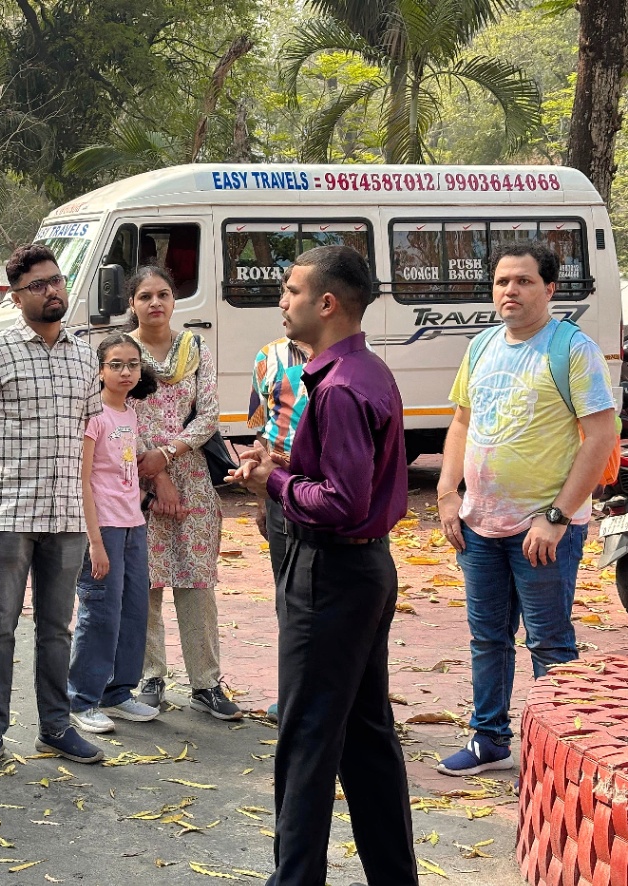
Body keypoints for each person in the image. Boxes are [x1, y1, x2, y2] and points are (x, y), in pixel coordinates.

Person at [230, 245, 418, 886]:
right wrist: (282, 469)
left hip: (331, 574)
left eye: (291, 291)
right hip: (364, 570)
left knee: (308, 740)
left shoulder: (338, 388)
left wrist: (274, 483)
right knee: (365, 735)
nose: (282, 302)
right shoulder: (366, 370)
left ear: (327, 303)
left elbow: (340, 502)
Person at [436, 240, 617, 776]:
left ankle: (559, 756)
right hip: (479, 526)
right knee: (487, 639)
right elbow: (462, 422)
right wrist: (447, 493)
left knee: (550, 643)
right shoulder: (481, 346)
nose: (510, 291)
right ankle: (489, 738)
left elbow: (601, 436)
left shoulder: (572, 348)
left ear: (550, 289)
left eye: (523, 281)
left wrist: (557, 516)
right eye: (502, 282)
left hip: (544, 529)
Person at [0, 243, 105, 771]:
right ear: (17, 297)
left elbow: (87, 435)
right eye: (37, 285)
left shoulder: (85, 356)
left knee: (57, 626)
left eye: (56, 280)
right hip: (9, 512)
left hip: (66, 513)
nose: (51, 291)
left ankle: (56, 727)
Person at [126, 265, 241, 721]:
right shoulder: (122, 352)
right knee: (145, 581)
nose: (155, 303)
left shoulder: (195, 349)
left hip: (190, 473)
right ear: (132, 304)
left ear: (175, 301)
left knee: (196, 580)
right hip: (133, 475)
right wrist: (154, 473)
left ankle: (206, 683)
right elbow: (115, 412)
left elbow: (209, 414)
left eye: (164, 294)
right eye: (145, 296)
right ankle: (149, 677)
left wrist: (169, 455)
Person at [67, 334, 161, 733]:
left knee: (134, 609)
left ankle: (118, 692)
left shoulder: (130, 413)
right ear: (100, 370)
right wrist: (94, 542)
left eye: (133, 364)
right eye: (116, 364)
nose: (126, 372)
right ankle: (81, 698)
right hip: (102, 525)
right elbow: (83, 480)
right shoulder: (94, 416)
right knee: (100, 612)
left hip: (133, 525)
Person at [247, 328, 311, 723]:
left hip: (328, 494)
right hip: (279, 494)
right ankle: (293, 694)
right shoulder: (266, 357)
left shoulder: (356, 355)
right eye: (284, 297)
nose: (286, 303)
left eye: (294, 297)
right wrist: (261, 500)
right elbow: (261, 432)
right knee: (288, 595)